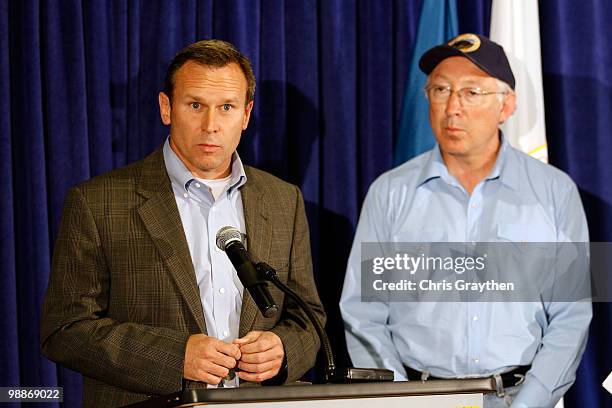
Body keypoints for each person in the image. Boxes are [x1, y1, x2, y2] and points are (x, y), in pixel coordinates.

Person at [41, 39, 325, 407]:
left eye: (226, 107)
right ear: (166, 108)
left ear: (246, 114)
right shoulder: (97, 202)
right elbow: (64, 330)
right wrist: (176, 357)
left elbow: (308, 318)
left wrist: (283, 350)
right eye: (195, 105)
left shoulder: (284, 200)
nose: (210, 125)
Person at [340, 33, 591, 407]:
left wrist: (529, 403)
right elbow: (364, 312)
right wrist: (399, 399)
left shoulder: (555, 192)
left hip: (519, 396)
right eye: (440, 90)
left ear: (507, 105)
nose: (452, 107)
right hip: (419, 396)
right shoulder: (389, 193)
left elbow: (571, 315)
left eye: (471, 93)